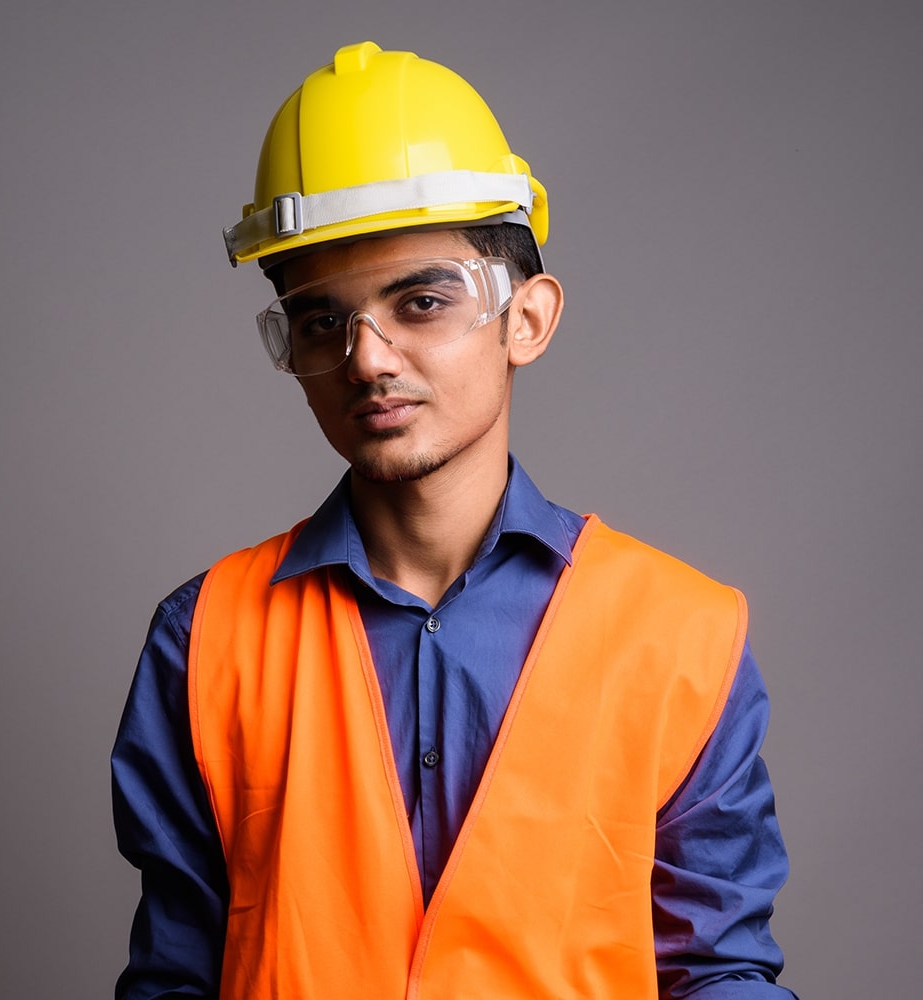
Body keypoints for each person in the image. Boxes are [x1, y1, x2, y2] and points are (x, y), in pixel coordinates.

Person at [112, 40, 797, 1000]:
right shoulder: (206, 640)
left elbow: (717, 972)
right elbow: (174, 978)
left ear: (528, 319)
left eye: (421, 302)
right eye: (322, 320)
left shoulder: (681, 636)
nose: (368, 359)